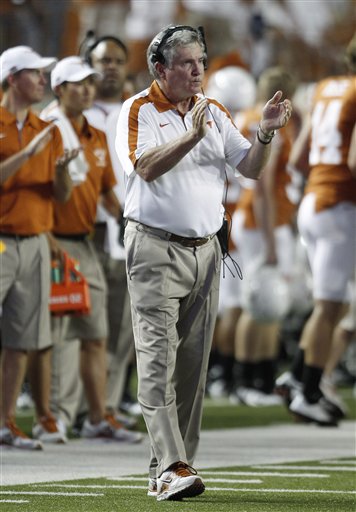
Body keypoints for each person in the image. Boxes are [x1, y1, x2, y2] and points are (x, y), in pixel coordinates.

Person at [116, 25, 292, 501]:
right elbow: (146, 167)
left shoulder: (213, 110)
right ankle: (172, 465)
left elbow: (250, 169)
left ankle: (173, 466)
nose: (198, 71)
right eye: (188, 63)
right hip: (154, 247)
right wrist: (191, 139)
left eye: (202, 62)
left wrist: (264, 134)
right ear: (161, 68)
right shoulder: (138, 109)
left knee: (193, 367)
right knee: (156, 359)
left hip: (206, 251)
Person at [42, 56, 142, 444]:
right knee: (56, 336)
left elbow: (105, 192)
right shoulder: (47, 129)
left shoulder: (96, 133)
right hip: (51, 239)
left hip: (85, 241)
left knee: (95, 334)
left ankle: (97, 416)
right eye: (76, 83)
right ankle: (53, 416)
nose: (85, 89)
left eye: (88, 82)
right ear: (59, 89)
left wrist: (130, 221)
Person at [0, 45, 77, 449]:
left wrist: (63, 172)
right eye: (35, 74)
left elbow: (60, 197)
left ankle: (5, 421)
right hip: (0, 242)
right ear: (13, 78)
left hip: (33, 241)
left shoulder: (43, 129)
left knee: (21, 340)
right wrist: (24, 156)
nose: (43, 81)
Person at [282, 33, 356, 426]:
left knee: (334, 304)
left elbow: (298, 156)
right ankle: (307, 390)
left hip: (314, 201)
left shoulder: (327, 87)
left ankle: (296, 375)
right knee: (330, 307)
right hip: (339, 205)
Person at [229, 67, 300, 407]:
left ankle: (261, 377)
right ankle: (246, 379)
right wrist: (272, 238)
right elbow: (263, 187)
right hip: (261, 222)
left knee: (269, 303)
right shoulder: (267, 121)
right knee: (257, 302)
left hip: (255, 219)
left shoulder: (246, 115)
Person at [83, 35, 139, 427]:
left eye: (118, 60)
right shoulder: (73, 113)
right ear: (88, 63)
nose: (112, 67)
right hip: (84, 233)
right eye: (104, 60)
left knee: (121, 331)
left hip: (127, 233)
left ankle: (108, 408)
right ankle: (78, 408)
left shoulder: (138, 112)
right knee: (82, 328)